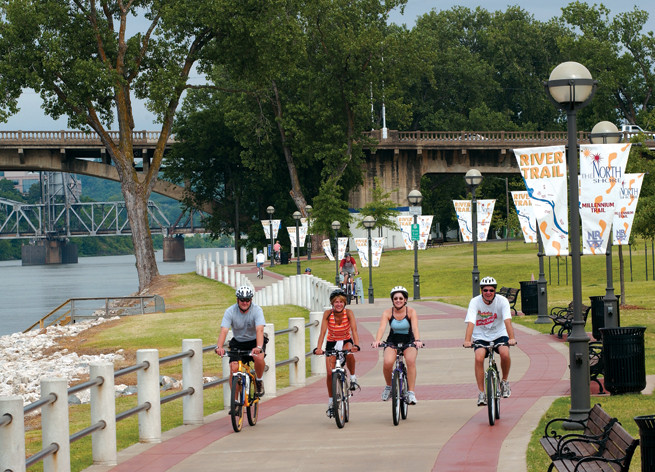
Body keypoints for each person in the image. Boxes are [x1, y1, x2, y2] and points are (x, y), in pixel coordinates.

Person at [463, 276, 517, 406]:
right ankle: (481, 393)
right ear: (481, 290)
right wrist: (467, 340)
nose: (488, 293)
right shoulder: (475, 302)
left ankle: (504, 382)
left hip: (499, 333)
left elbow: (507, 321)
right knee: (479, 357)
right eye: (485, 290)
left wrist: (512, 338)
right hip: (481, 334)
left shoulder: (502, 301)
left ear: (495, 291)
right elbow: (471, 322)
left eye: (491, 290)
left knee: (504, 353)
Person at [372, 286, 424, 405]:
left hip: (409, 341)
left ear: (405, 300)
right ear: (392, 300)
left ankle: (411, 393)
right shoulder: (387, 312)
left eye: (401, 298)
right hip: (393, 341)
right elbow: (382, 327)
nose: (398, 300)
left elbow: (415, 327)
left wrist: (417, 340)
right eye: (395, 298)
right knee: (387, 362)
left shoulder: (410, 311)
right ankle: (389, 386)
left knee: (410, 361)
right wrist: (377, 340)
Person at [314, 288, 361, 415]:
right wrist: (319, 348)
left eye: (341, 302)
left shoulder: (349, 313)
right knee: (330, 374)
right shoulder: (328, 314)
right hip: (332, 343)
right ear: (332, 303)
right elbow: (323, 332)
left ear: (345, 303)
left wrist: (356, 344)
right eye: (336, 302)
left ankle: (353, 378)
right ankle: (331, 402)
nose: (338, 304)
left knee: (350, 354)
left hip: (346, 340)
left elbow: (354, 330)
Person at [215, 286, 267, 396]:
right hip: (238, 342)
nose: (245, 302)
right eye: (242, 300)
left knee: (259, 357)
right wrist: (219, 347)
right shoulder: (230, 311)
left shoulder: (257, 310)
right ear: (237, 300)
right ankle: (235, 402)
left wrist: (258, 347)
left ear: (251, 300)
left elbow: (260, 329)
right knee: (233, 369)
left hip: (254, 341)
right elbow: (224, 330)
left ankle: (259, 380)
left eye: (247, 300)